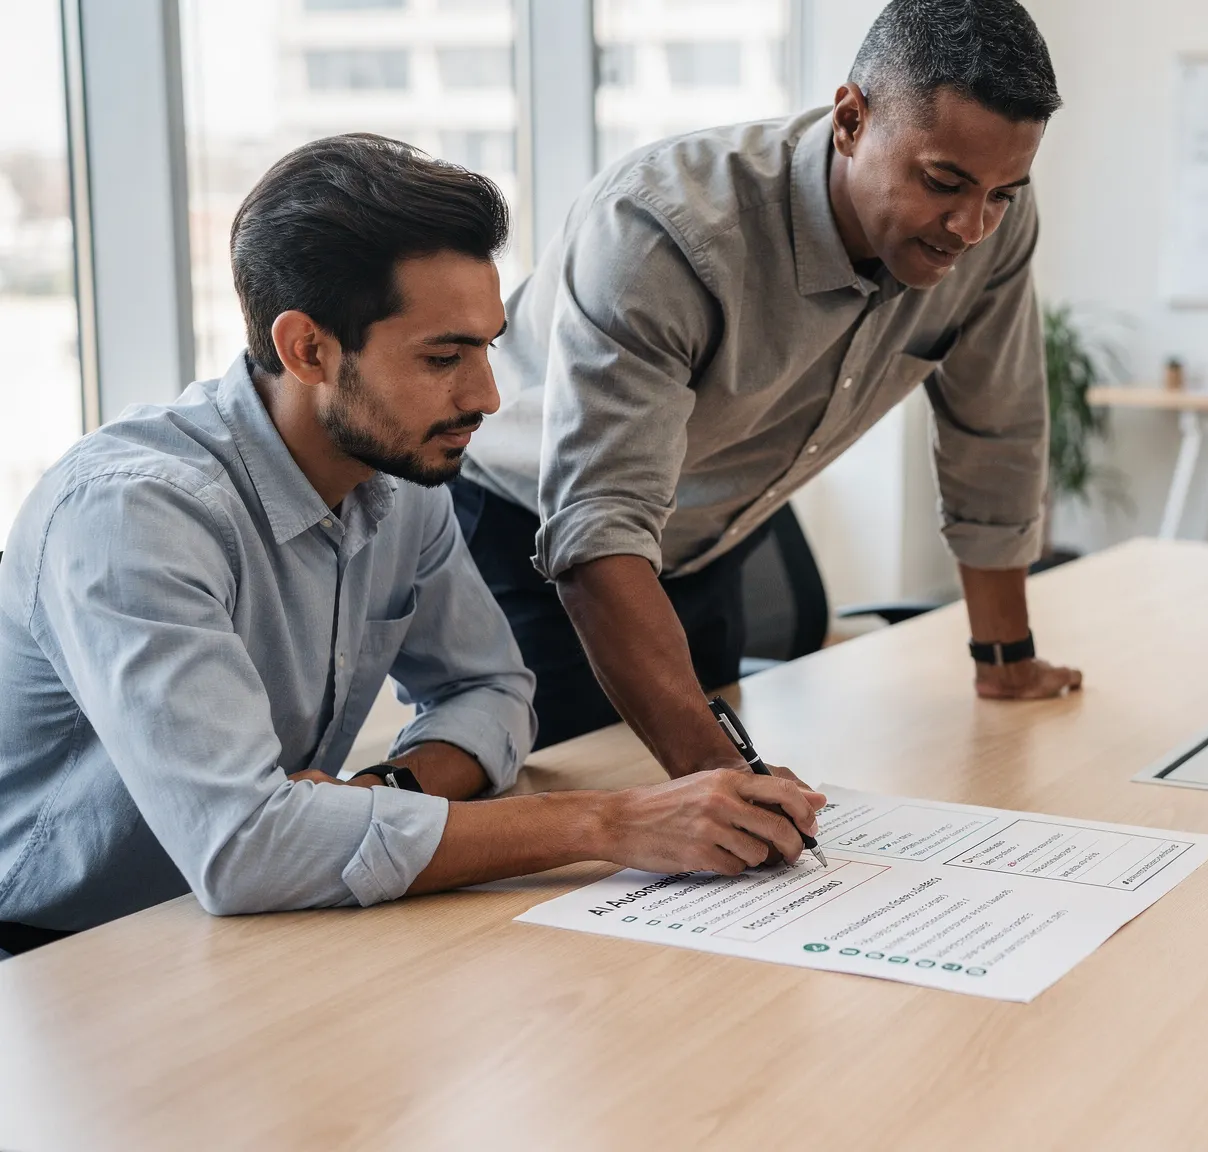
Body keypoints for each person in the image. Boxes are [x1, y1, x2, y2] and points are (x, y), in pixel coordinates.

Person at [0, 136, 821, 957]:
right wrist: (612, 821)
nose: (487, 397)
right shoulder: (131, 518)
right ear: (307, 349)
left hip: (263, 930)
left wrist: (376, 793)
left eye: (488, 346)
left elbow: (495, 691)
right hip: (63, 954)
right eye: (442, 357)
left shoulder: (395, 476)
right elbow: (245, 847)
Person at [455, 0, 1083, 775]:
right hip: (530, 541)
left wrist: (1004, 658)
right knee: (568, 826)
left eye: (1001, 193)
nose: (970, 226)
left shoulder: (990, 226)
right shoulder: (662, 233)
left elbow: (996, 430)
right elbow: (598, 524)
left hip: (705, 539)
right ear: (850, 119)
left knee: (698, 859)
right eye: (943, 182)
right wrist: (725, 781)